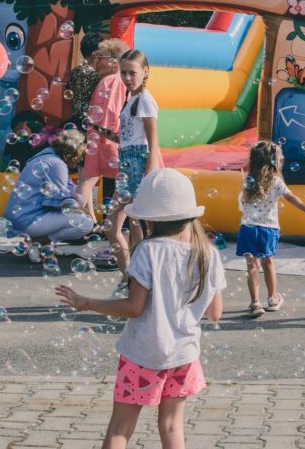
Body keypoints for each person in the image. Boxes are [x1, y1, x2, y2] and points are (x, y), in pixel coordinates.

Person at [55, 168, 225, 449]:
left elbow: (134, 307)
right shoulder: (208, 254)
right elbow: (215, 313)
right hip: (184, 355)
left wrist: (87, 303)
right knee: (172, 426)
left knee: (120, 428)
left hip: (143, 354)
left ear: (148, 219)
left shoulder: (148, 250)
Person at [237, 141, 305, 318]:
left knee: (252, 266)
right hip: (268, 229)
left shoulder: (248, 181)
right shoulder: (275, 181)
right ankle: (273, 299)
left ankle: (255, 303)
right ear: (274, 161)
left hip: (248, 228)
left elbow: (242, 202)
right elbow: (291, 198)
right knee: (268, 263)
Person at [104, 49, 162, 280]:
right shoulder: (131, 100)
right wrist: (107, 134)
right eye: (123, 73)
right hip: (127, 166)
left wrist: (149, 174)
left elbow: (152, 142)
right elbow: (130, 138)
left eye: (132, 73)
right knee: (111, 227)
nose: (127, 78)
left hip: (138, 166)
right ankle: (129, 276)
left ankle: (139, 281)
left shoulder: (146, 100)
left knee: (138, 230)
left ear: (145, 71)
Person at [4, 129, 94, 248]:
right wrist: (88, 215)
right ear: (72, 152)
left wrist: (79, 198)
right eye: (81, 155)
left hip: (20, 216)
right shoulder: (57, 164)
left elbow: (70, 191)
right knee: (87, 224)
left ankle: (39, 238)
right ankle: (42, 241)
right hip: (29, 219)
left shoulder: (47, 156)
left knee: (80, 200)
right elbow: (63, 204)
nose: (81, 159)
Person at [76, 38, 130, 220]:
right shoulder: (116, 80)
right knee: (115, 182)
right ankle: (93, 223)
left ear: (114, 61)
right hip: (107, 138)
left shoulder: (111, 81)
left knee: (88, 180)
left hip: (104, 139)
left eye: (101, 57)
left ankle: (86, 222)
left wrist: (107, 136)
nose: (97, 61)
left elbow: (109, 112)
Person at [66, 35, 104, 128]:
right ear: (96, 53)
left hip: (75, 121)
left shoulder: (75, 71)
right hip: (91, 123)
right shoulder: (97, 75)